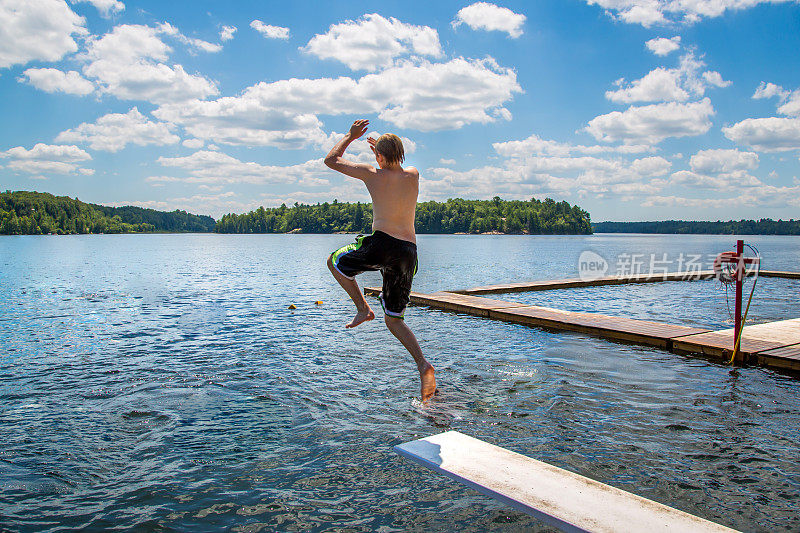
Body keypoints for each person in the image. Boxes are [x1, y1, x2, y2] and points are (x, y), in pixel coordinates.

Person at [324, 119, 436, 403]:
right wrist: (382, 150)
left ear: (380, 157)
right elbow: (394, 163)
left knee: (335, 262)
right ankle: (423, 364)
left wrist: (350, 136)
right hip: (408, 253)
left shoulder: (372, 174)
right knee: (395, 319)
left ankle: (362, 308)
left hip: (383, 244)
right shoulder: (413, 174)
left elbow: (331, 160)